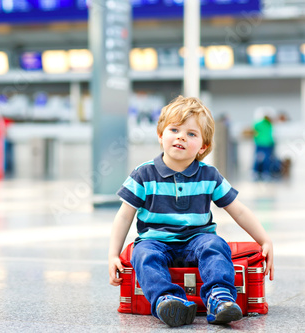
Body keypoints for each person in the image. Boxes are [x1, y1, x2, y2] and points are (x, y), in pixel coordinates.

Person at [108, 96, 274, 327]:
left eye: (191, 134)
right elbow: (124, 215)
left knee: (216, 246)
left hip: (197, 239)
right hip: (154, 240)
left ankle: (220, 298)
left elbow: (239, 211)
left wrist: (264, 239)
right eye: (174, 129)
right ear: (160, 135)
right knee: (143, 255)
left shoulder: (209, 175)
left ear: (203, 146)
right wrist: (114, 254)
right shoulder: (143, 174)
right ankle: (167, 301)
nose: (181, 136)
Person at [252, 108, 276, 180]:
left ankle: (259, 172)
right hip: (265, 144)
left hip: (264, 143)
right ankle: (263, 172)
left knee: (261, 159)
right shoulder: (268, 124)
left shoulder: (262, 124)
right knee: (265, 159)